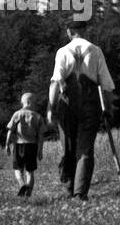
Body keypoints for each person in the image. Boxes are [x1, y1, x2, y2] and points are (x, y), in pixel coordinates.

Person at [47, 20, 115, 202]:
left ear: (69, 32)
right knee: (85, 148)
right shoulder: (96, 50)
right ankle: (80, 193)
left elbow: (55, 81)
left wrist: (50, 108)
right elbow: (107, 85)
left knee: (67, 148)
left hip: (67, 104)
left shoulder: (62, 51)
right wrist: (107, 109)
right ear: (84, 31)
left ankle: (69, 186)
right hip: (90, 104)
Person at [4, 92, 45, 198]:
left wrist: (7, 144)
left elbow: (10, 130)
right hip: (32, 146)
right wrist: (40, 150)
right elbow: (41, 136)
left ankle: (22, 184)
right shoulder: (38, 116)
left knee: (17, 169)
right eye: (35, 102)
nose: (36, 104)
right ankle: (28, 194)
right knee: (30, 172)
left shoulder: (17, 114)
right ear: (29, 102)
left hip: (19, 145)